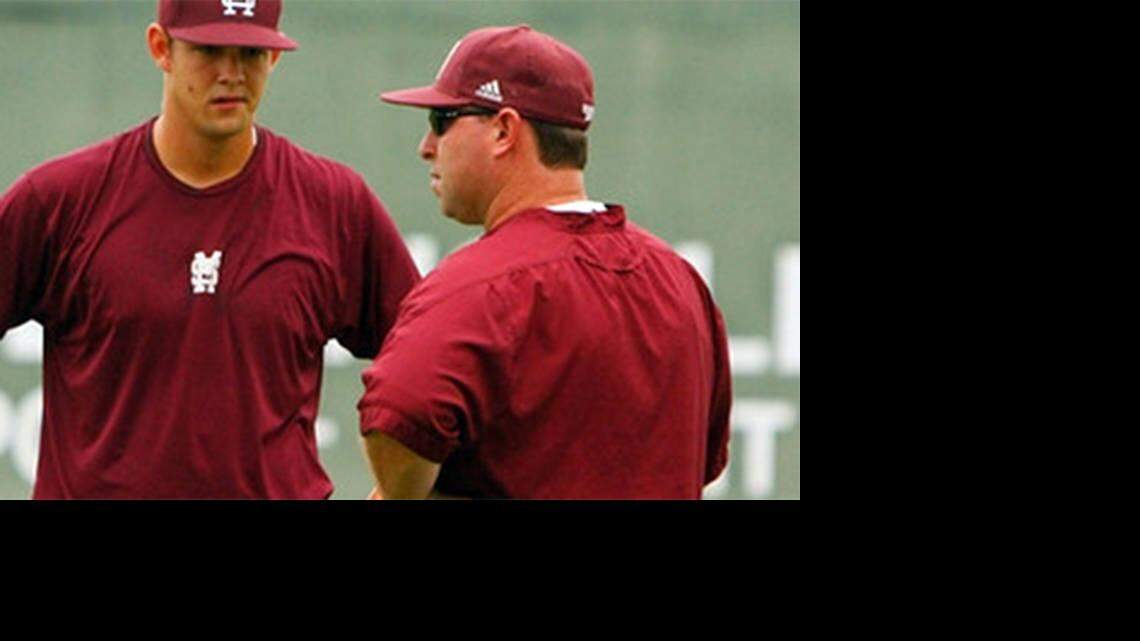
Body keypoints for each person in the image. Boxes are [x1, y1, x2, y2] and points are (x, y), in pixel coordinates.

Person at [0, 0, 421, 499]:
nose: (231, 74)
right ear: (162, 48)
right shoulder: (62, 200)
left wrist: (397, 490)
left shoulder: (333, 205)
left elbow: (429, 367)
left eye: (250, 53)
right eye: (208, 50)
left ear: (274, 59)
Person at [358, 25, 731, 499]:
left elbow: (398, 412)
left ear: (503, 130)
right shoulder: (681, 282)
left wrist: (400, 493)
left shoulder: (478, 283)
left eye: (442, 119)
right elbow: (704, 457)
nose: (427, 146)